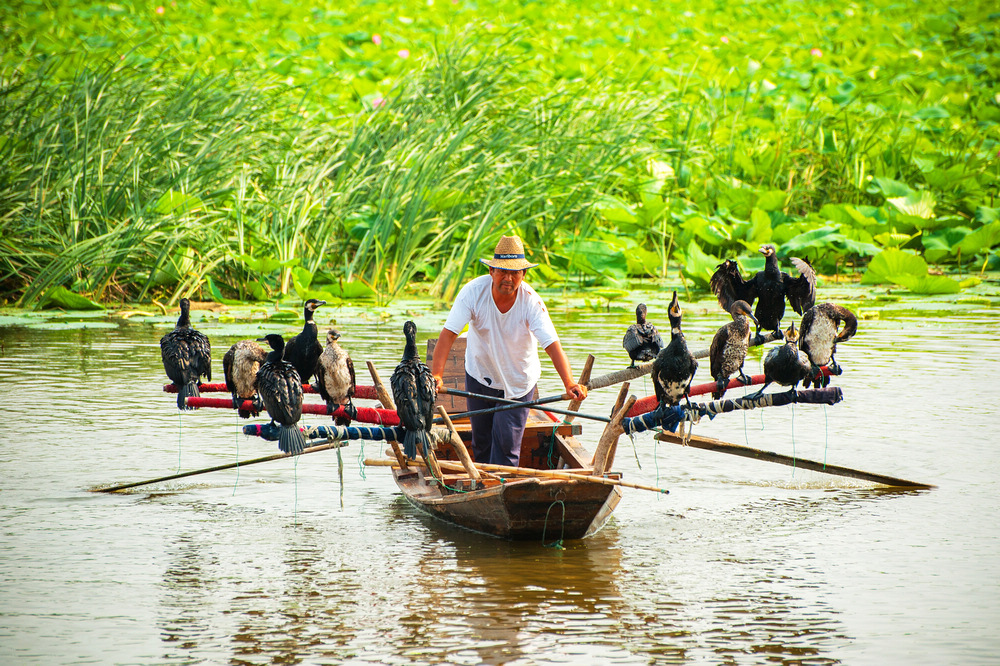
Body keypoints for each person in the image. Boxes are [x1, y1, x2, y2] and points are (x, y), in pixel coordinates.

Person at [430, 235, 587, 467]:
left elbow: (552, 345)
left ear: (523, 275)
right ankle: (483, 486)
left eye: (515, 273)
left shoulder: (531, 302)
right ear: (491, 270)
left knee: (506, 448)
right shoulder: (473, 293)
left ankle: (501, 485)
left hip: (518, 383)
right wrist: (437, 376)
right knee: (481, 444)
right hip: (479, 376)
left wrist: (569, 383)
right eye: (503, 271)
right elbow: (448, 335)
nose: (508, 278)